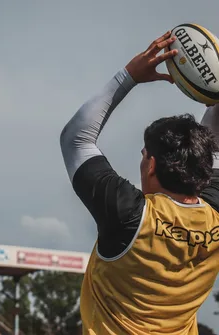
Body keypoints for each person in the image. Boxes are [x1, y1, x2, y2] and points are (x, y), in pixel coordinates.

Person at [60, 31, 219, 335]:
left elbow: (76, 139)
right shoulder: (215, 216)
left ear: (152, 164)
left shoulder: (130, 217)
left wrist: (129, 75)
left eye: (144, 153)